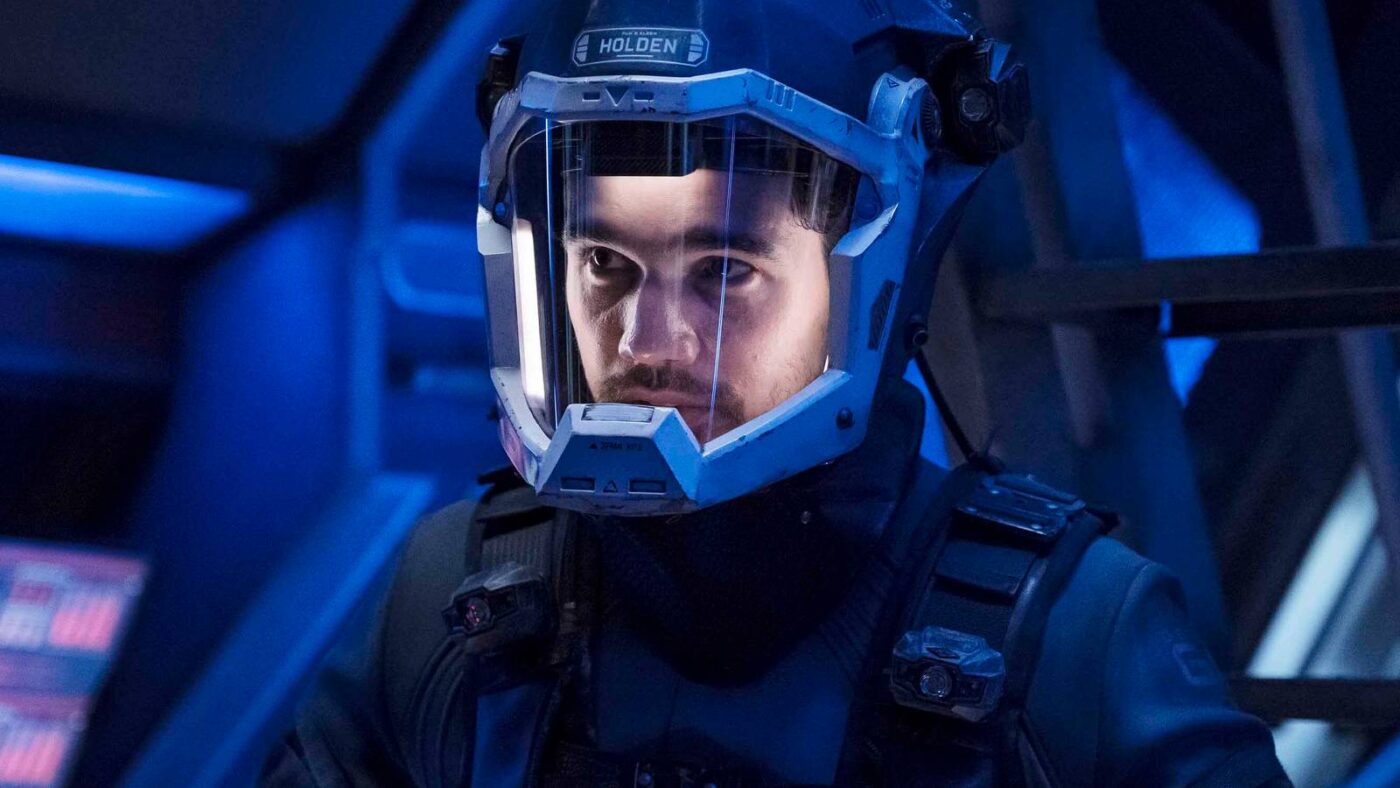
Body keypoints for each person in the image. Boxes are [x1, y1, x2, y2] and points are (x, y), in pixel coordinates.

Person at [263, 0, 1291, 785]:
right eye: (605, 264)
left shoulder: (1075, 645)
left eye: (723, 272)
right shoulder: (448, 603)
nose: (645, 340)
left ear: (872, 273)